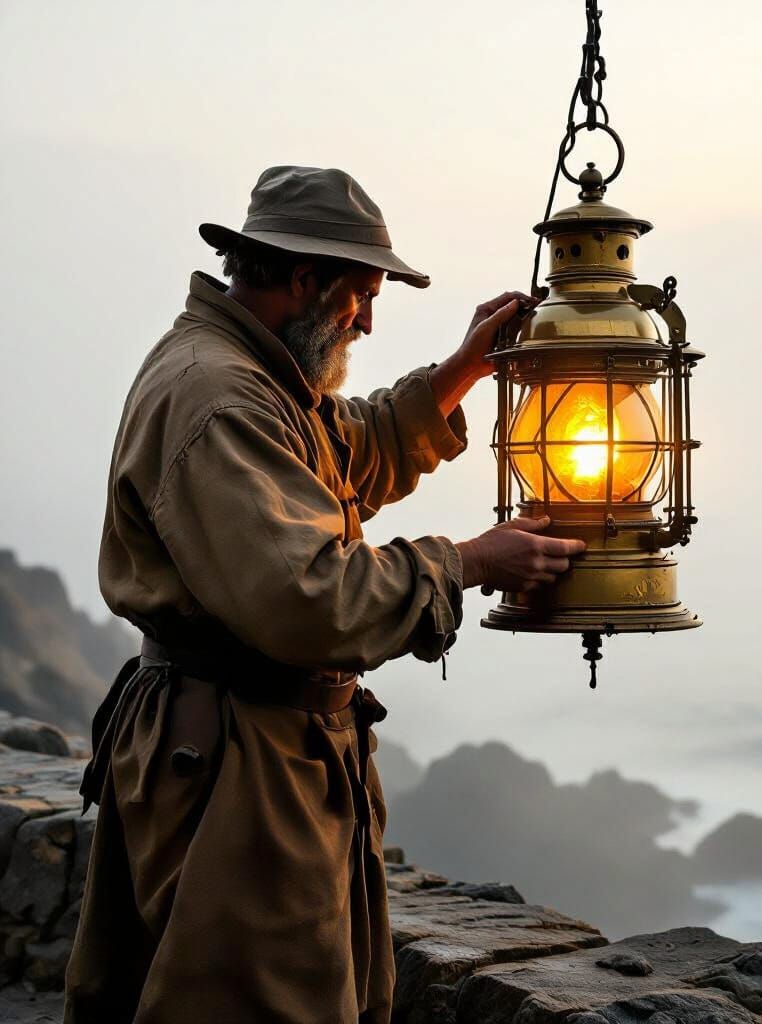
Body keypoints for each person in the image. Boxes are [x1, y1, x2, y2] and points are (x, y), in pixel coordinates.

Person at [64, 165, 585, 1023]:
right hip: (238, 763)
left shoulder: (260, 376)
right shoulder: (220, 396)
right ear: (303, 278)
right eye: (362, 296)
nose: (370, 322)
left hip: (264, 748)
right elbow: (309, 600)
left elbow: (343, 456)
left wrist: (459, 372)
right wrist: (468, 562)